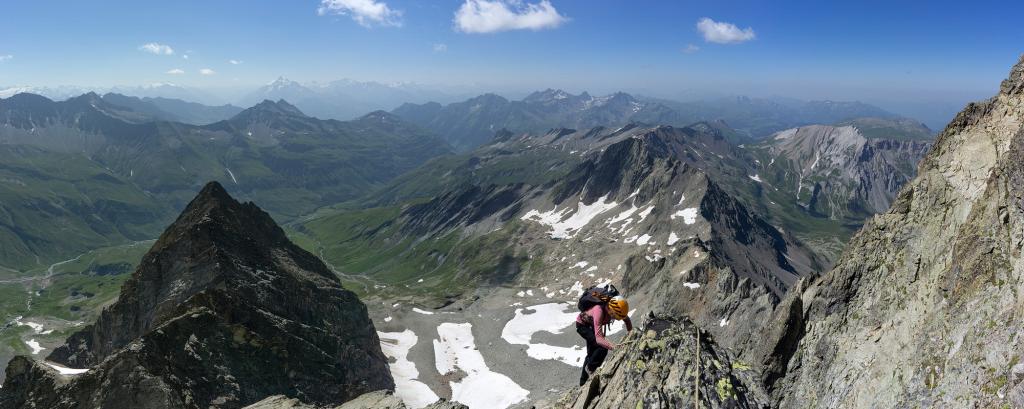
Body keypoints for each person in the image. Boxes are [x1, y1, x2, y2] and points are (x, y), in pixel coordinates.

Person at [575, 295, 632, 385]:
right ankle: (589, 370)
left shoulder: (617, 308)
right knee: (601, 347)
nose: (614, 319)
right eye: (614, 316)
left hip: (591, 323)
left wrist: (631, 333)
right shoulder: (599, 310)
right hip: (582, 325)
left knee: (592, 353)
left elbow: (627, 319)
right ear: (611, 309)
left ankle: (584, 379)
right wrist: (614, 347)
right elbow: (599, 339)